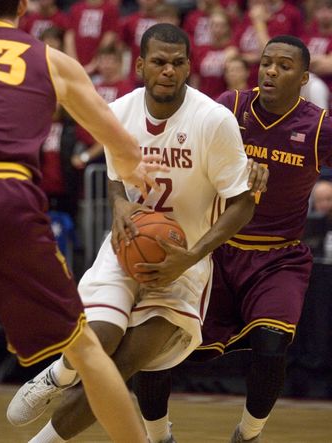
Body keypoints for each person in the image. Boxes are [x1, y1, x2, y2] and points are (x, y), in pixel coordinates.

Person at [11, 23, 269, 443]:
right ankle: (59, 374)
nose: (168, 70)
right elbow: (116, 174)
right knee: (98, 342)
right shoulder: (120, 112)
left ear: (189, 67)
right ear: (141, 65)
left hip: (184, 265)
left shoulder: (213, 120)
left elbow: (242, 203)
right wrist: (118, 201)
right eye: (159, 62)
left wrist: (189, 256)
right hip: (126, 248)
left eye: (177, 62)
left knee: (117, 367)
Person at [0, 0, 172, 441]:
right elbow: (118, 142)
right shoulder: (49, 59)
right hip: (6, 196)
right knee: (84, 351)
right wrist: (133, 166)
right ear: (23, 7)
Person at [133, 34, 332, 443]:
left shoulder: (318, 128)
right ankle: (158, 437)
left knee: (273, 345)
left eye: (284, 65)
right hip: (214, 250)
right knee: (155, 346)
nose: (271, 71)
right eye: (266, 63)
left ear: (305, 77)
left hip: (279, 258)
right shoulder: (230, 107)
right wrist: (242, 168)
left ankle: (249, 434)